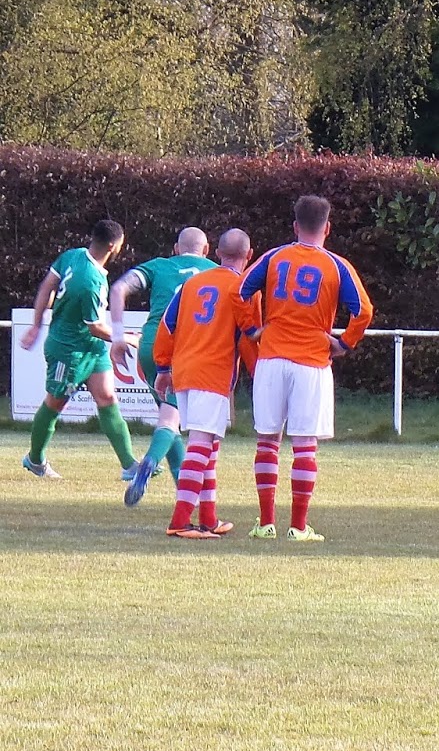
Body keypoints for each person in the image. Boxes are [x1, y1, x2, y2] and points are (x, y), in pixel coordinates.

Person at [238, 195, 374, 543]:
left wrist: (253, 329)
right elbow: (363, 311)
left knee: (268, 441)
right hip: (312, 362)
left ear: (295, 226)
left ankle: (266, 523)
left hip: (271, 358)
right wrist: (344, 343)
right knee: (304, 444)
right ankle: (298, 527)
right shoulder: (337, 265)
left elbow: (240, 291)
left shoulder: (273, 257)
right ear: (327, 228)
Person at [150, 228, 262, 539]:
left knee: (210, 445)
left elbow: (167, 326)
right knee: (201, 443)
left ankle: (209, 518)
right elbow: (247, 339)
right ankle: (180, 520)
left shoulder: (191, 284)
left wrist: (163, 366)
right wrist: (259, 374)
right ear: (249, 256)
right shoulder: (243, 290)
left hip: (185, 371)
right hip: (213, 373)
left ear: (216, 253)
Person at [19, 220, 140, 480]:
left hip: (90, 348)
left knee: (107, 397)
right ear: (112, 246)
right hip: (68, 350)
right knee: (54, 403)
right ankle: (35, 459)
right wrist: (127, 338)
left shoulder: (72, 255)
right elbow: (96, 326)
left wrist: (36, 325)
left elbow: (46, 287)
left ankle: (130, 466)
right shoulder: (92, 281)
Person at [111, 225, 219, 506]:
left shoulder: (159, 266)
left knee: (167, 414)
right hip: (189, 345)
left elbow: (119, 287)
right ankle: (149, 462)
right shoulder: (216, 272)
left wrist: (119, 337)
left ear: (175, 249)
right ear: (206, 250)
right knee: (171, 420)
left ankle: (186, 493)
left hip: (151, 344)